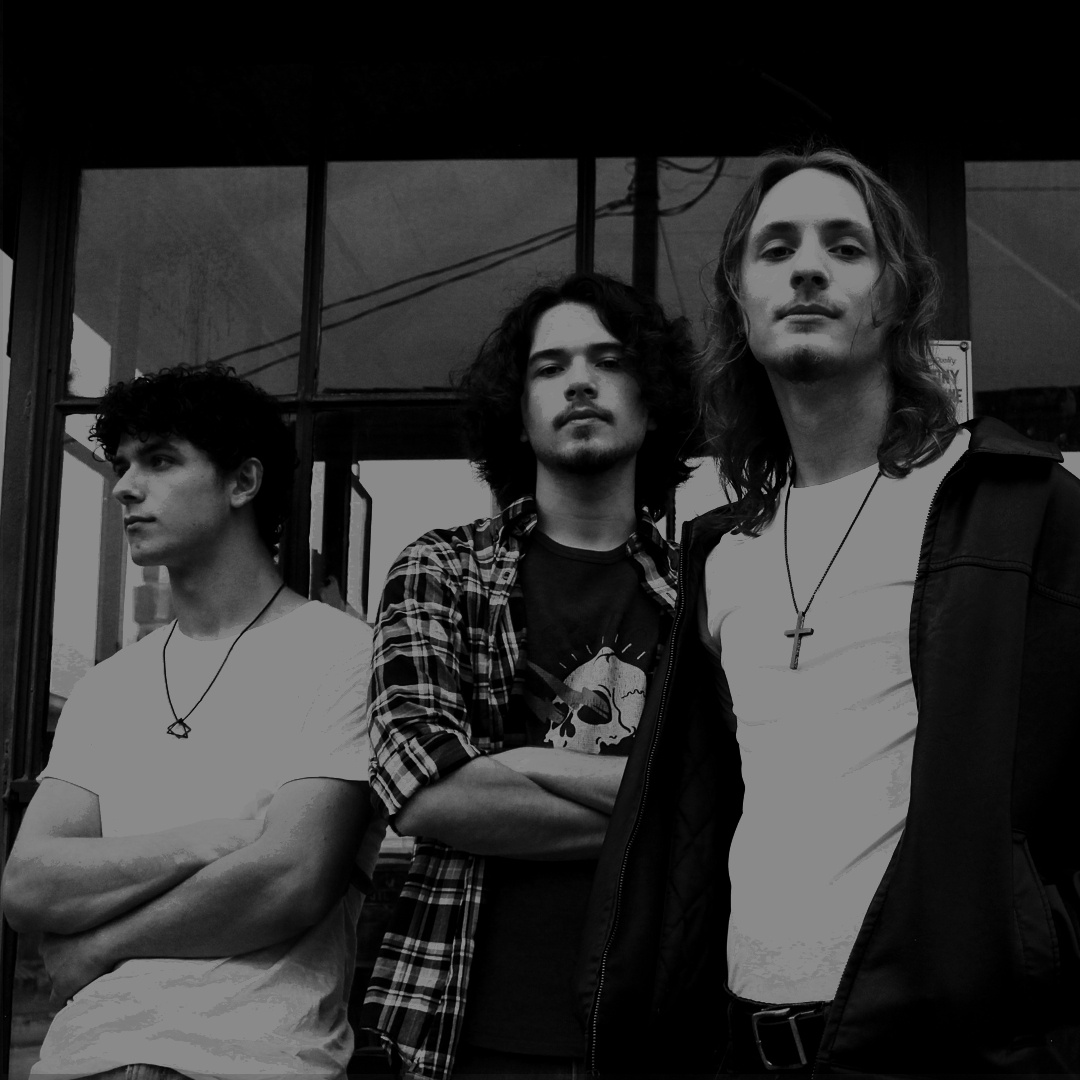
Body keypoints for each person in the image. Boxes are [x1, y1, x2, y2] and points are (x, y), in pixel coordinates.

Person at [580, 149, 1080, 1077]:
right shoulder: (719, 556)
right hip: (745, 1042)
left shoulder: (1019, 509)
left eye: (846, 248)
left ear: (896, 296)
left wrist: (1038, 973)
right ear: (738, 298)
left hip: (949, 1051)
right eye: (776, 249)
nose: (808, 268)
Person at [360, 271, 697, 1079]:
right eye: (550, 367)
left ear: (653, 402)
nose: (580, 382)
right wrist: (668, 817)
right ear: (518, 412)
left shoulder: (705, 593)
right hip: (462, 1028)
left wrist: (516, 763)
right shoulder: (441, 568)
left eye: (608, 361)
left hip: (663, 1029)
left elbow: (740, 794)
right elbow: (426, 792)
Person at [2, 365, 384, 1079]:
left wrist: (100, 945)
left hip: (252, 1062)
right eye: (122, 465)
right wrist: (206, 842)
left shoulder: (344, 655)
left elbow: (291, 880)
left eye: (159, 461)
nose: (124, 486)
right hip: (81, 1059)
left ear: (243, 482)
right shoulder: (107, 688)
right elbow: (28, 885)